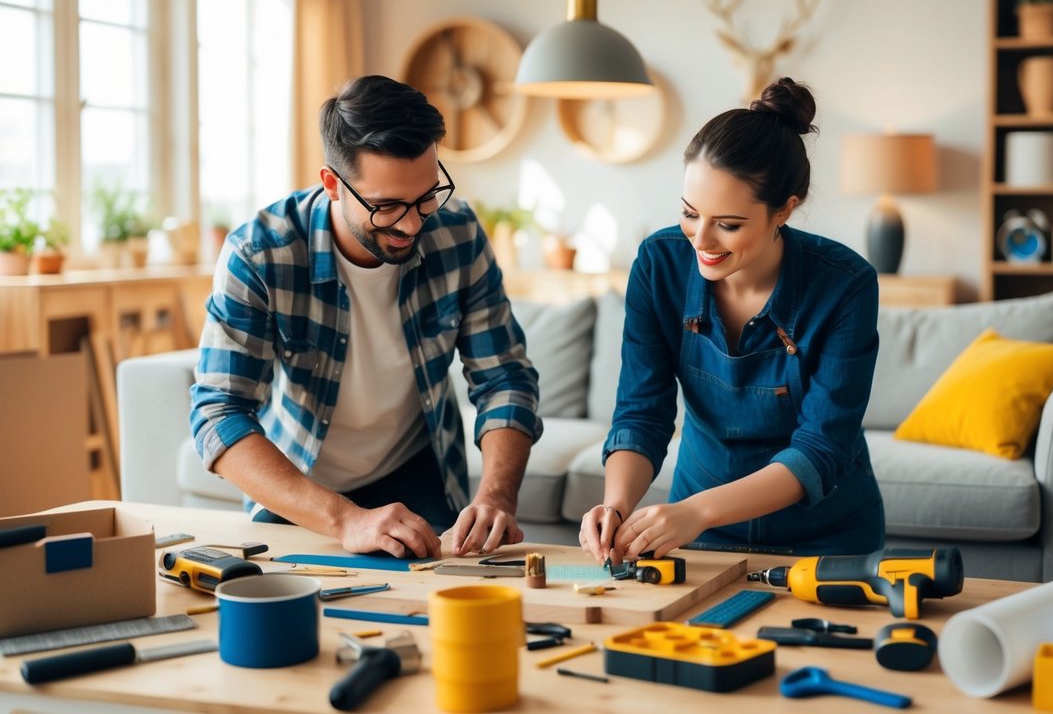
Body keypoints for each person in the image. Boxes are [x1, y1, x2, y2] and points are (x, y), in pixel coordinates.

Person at [191, 75, 541, 559]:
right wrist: (345, 519)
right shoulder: (259, 253)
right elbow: (219, 411)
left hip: (418, 469)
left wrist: (497, 495)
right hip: (303, 486)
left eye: (425, 197)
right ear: (333, 184)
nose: (413, 223)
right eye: (387, 206)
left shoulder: (457, 234)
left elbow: (504, 377)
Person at [580, 77, 884, 565]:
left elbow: (820, 448)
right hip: (698, 535)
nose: (701, 239)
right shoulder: (660, 265)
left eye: (728, 224)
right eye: (689, 213)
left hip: (826, 540)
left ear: (785, 209)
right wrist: (616, 506)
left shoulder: (845, 286)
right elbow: (642, 413)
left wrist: (695, 512)